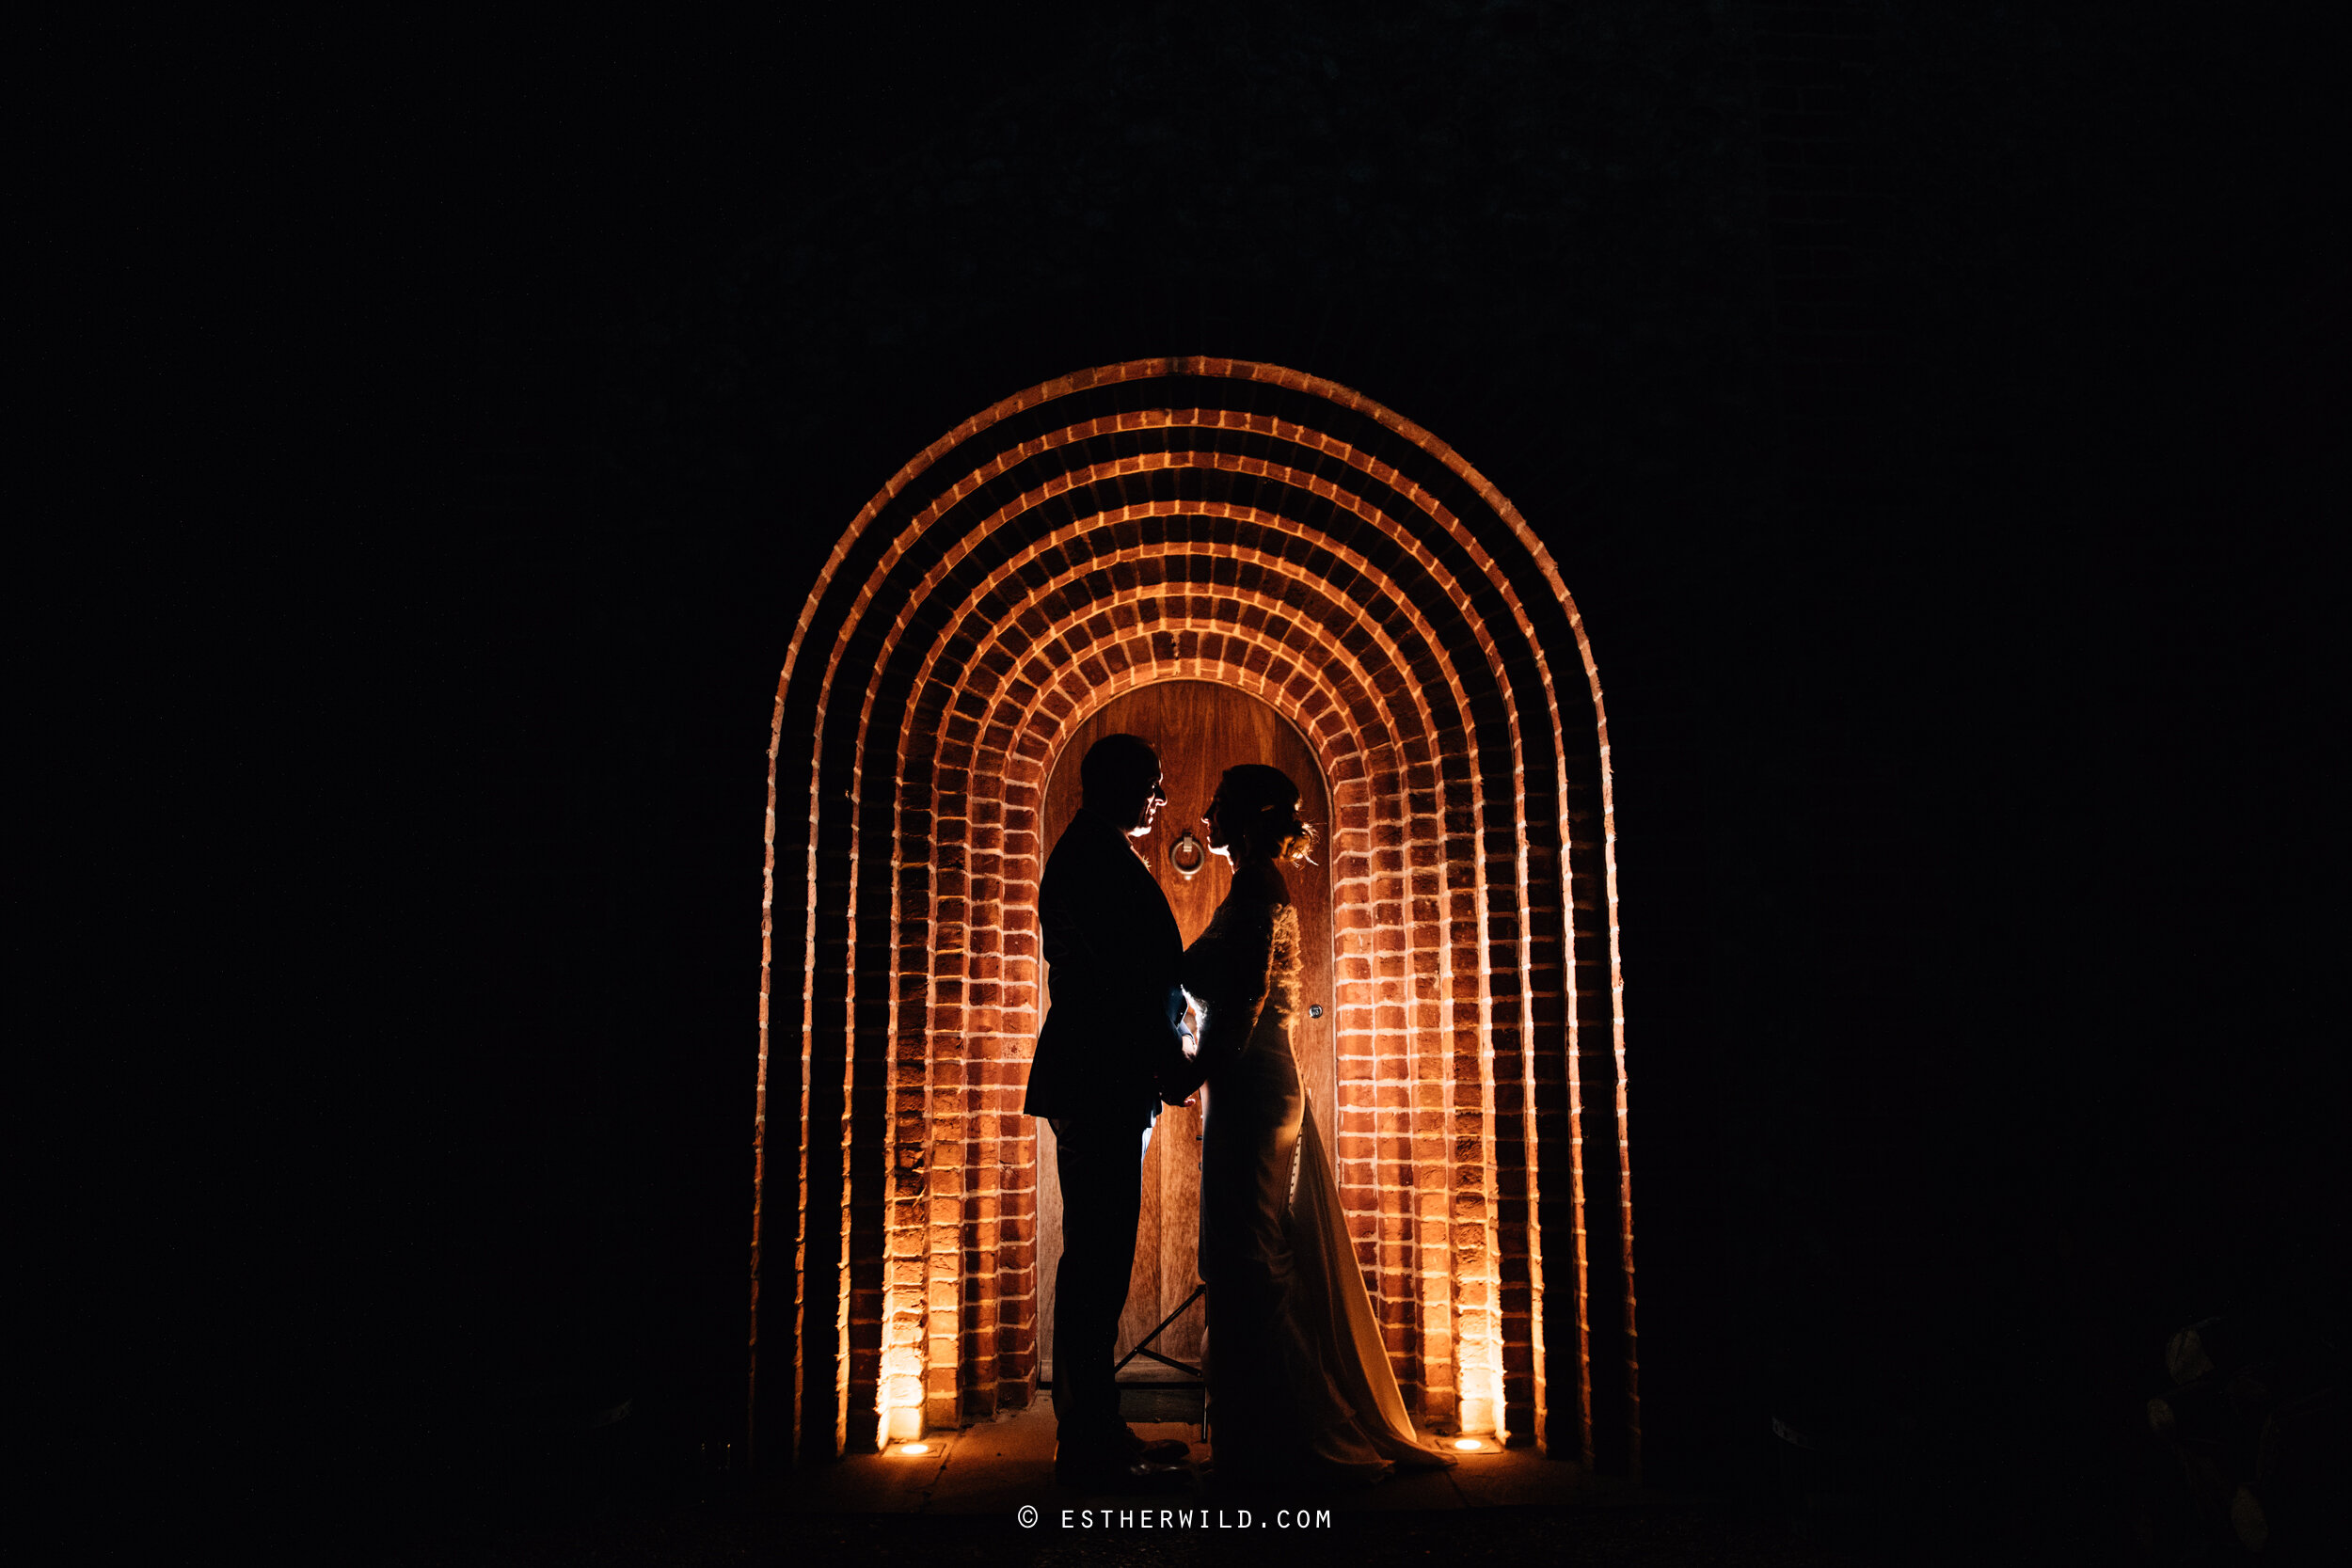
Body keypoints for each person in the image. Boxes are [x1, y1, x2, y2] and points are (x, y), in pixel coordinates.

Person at [1167, 763, 1454, 1490]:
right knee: (1245, 1257)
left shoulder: (1260, 885)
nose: (1207, 814)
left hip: (1257, 1088)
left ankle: (1287, 1438)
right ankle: (1262, 1437)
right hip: (1248, 1087)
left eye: (1221, 803)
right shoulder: (1249, 885)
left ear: (1250, 816)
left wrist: (1185, 1074)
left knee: (1251, 1262)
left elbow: (1247, 1001)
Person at [1022, 733, 1195, 1490]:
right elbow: (1123, 979)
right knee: (1096, 1260)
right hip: (1099, 1078)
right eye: (1152, 784)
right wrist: (1173, 1058)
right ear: (1117, 782)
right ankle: (1088, 1439)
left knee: (1101, 1257)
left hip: (1108, 1077)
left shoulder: (1101, 850)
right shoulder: (1089, 858)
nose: (1161, 799)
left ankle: (1095, 1429)